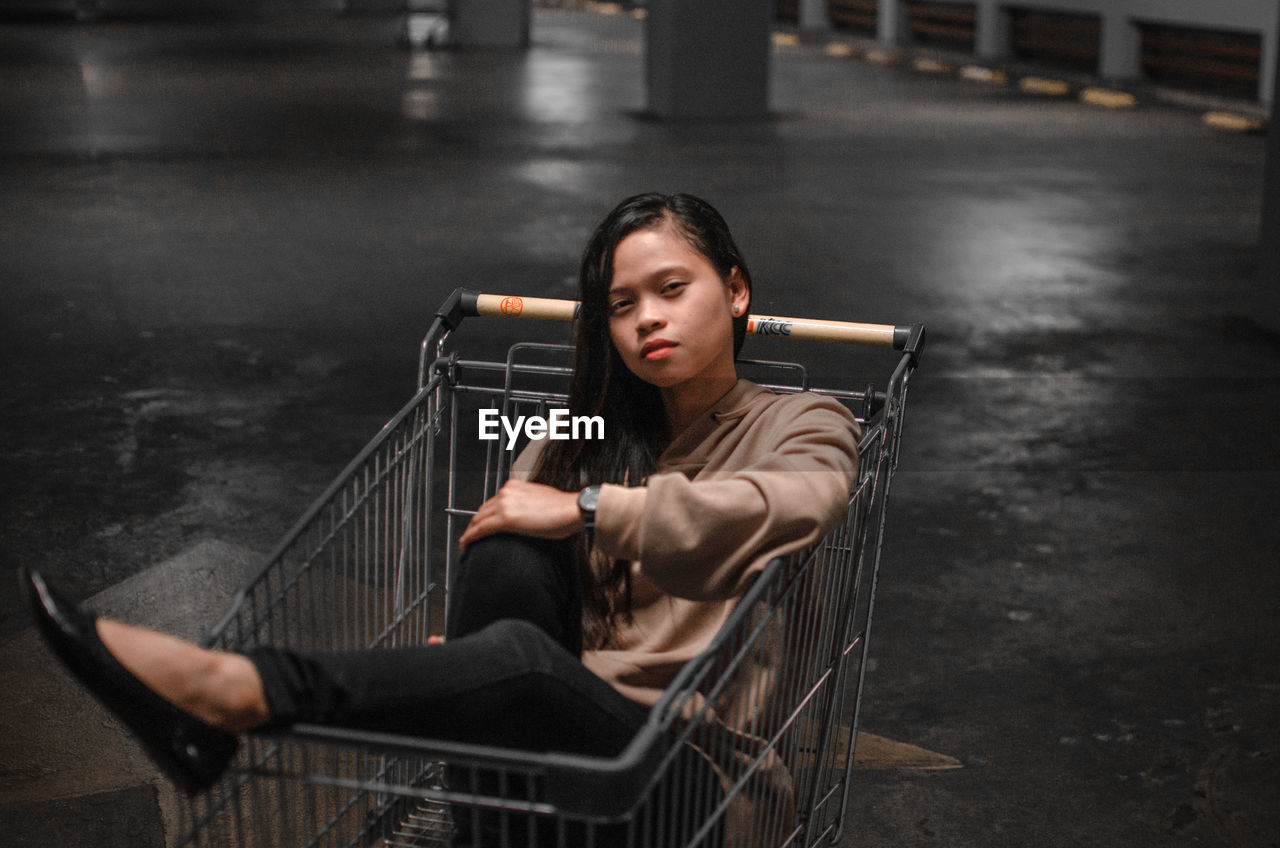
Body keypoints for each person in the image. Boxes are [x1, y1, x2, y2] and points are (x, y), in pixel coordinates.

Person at [22, 192, 860, 844]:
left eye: (672, 288)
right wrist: (471, 668)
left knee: (525, 661)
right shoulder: (578, 437)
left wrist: (592, 510)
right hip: (546, 765)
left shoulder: (802, 421)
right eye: (621, 303)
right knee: (507, 554)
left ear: (737, 288)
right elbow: (512, 576)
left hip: (692, 786)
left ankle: (235, 689)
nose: (646, 318)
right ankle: (464, 776)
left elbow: (805, 501)